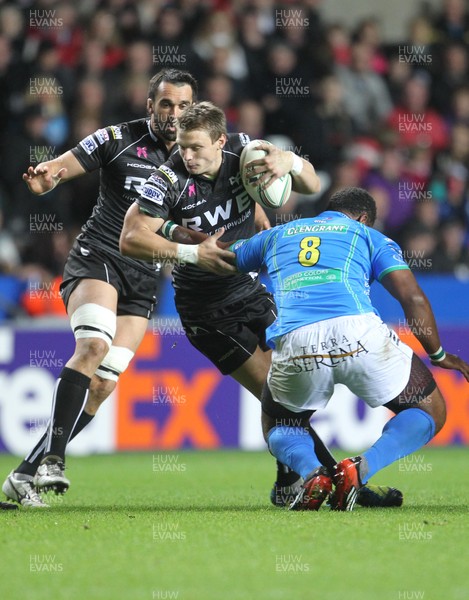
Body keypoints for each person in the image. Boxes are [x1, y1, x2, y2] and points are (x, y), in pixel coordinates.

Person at [120, 104, 403, 510]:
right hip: (206, 310)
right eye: (182, 147)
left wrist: (291, 161)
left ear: (220, 141)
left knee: (289, 394)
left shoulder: (246, 154)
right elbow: (130, 236)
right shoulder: (168, 178)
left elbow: (308, 184)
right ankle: (340, 485)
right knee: (278, 394)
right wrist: (190, 254)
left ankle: (293, 478)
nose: (187, 155)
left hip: (250, 290)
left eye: (196, 147)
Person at [2, 69, 199, 508]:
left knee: (104, 383)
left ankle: (23, 474)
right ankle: (55, 458)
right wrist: (47, 175)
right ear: (150, 105)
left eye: (184, 105)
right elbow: (63, 165)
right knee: (92, 346)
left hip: (144, 278)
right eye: (166, 104)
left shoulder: (195, 159)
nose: (174, 114)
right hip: (99, 259)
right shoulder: (118, 138)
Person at [223, 186, 469, 511]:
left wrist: (172, 233)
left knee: (279, 424)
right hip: (358, 334)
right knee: (429, 409)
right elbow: (413, 298)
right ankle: (360, 468)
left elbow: (220, 255)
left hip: (296, 339)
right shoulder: (368, 236)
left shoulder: (277, 234)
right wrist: (438, 354)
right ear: (365, 218)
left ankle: (313, 472)